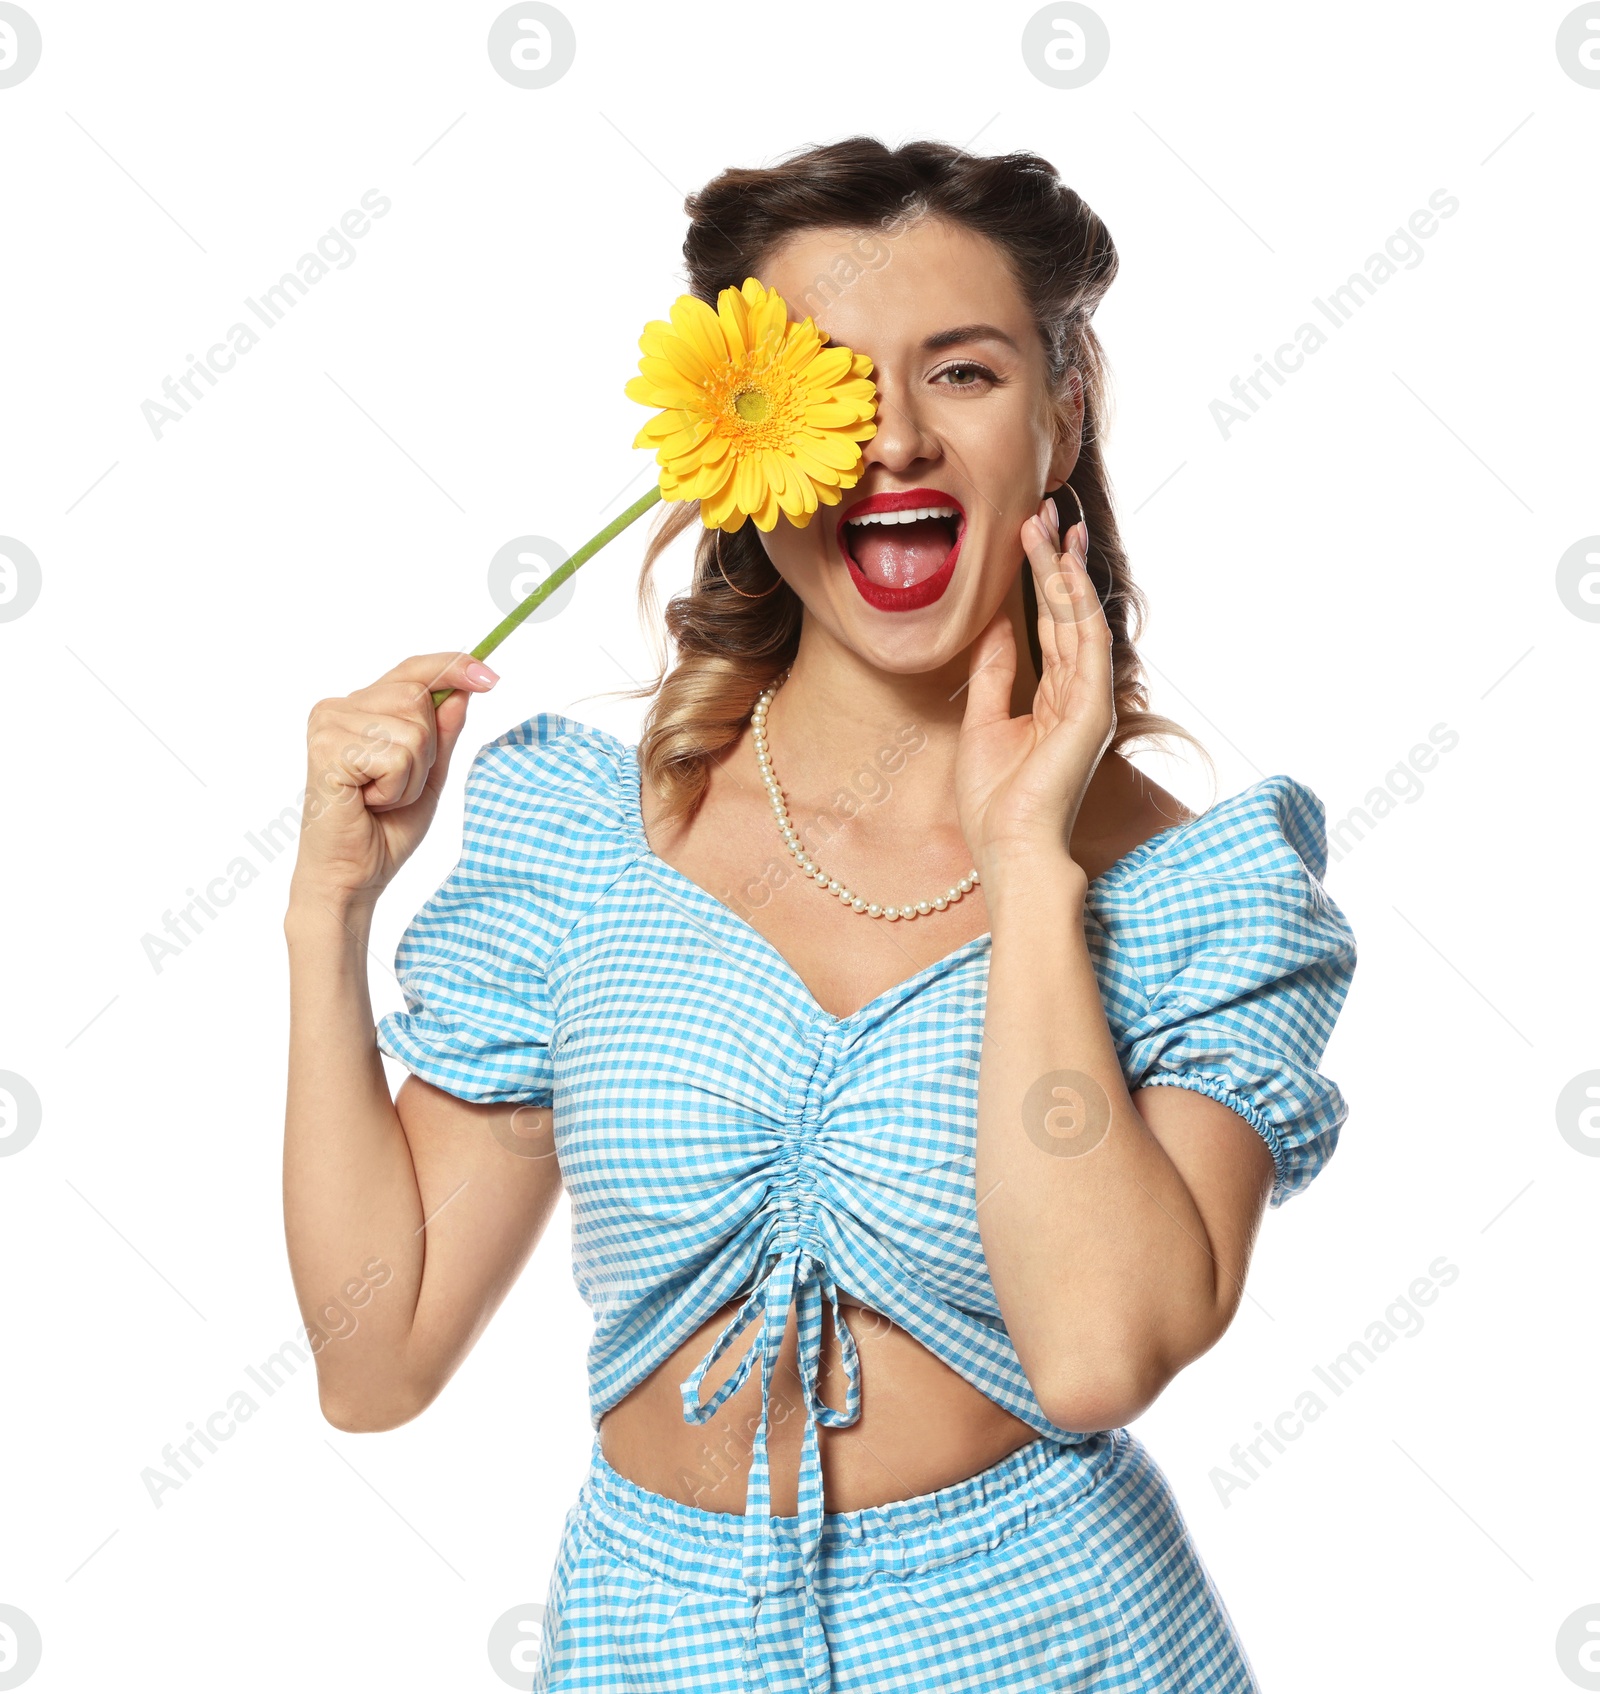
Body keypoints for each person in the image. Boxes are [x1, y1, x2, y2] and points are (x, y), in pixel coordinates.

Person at [283, 136, 1358, 1693]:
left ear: (1062, 414)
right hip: (649, 1641)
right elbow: (375, 1364)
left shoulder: (1195, 898)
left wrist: (1030, 867)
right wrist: (330, 918)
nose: (896, 441)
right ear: (732, 440)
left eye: (967, 373)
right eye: (835, 384)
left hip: (1052, 1643)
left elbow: (1098, 1349)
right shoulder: (593, 845)